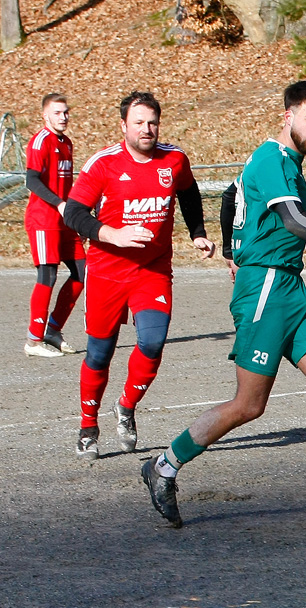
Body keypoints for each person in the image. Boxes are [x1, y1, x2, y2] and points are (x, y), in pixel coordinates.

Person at [140, 80, 306, 529]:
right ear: (288, 116)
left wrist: (230, 249)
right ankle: (163, 466)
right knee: (249, 405)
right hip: (264, 291)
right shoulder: (271, 158)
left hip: (290, 289)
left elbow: (229, 196)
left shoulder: (284, 163)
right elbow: (293, 219)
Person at [64, 91, 216, 460]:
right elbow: (73, 213)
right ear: (123, 126)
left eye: (152, 123)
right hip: (106, 273)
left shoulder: (174, 159)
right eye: (138, 123)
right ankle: (88, 425)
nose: (146, 130)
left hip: (153, 271)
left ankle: (126, 406)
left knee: (152, 342)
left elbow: (189, 191)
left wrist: (197, 231)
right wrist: (111, 234)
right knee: (100, 353)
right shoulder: (103, 164)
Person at [23, 93, 85, 358]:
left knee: (82, 272)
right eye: (58, 113)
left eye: (66, 112)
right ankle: (33, 341)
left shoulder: (66, 142)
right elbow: (31, 181)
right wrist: (59, 203)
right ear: (45, 115)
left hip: (65, 219)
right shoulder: (39, 142)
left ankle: (53, 330)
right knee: (47, 275)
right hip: (43, 219)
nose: (64, 117)